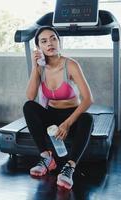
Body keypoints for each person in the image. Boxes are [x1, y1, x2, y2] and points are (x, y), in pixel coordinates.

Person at [23, 26, 94, 190]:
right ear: (39, 47)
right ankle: (47, 158)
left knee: (87, 118)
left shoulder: (71, 65)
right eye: (44, 41)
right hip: (52, 115)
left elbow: (89, 99)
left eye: (53, 38)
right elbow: (30, 96)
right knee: (29, 107)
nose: (50, 43)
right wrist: (35, 67)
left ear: (59, 42)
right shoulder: (40, 68)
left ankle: (69, 167)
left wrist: (67, 124)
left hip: (72, 116)